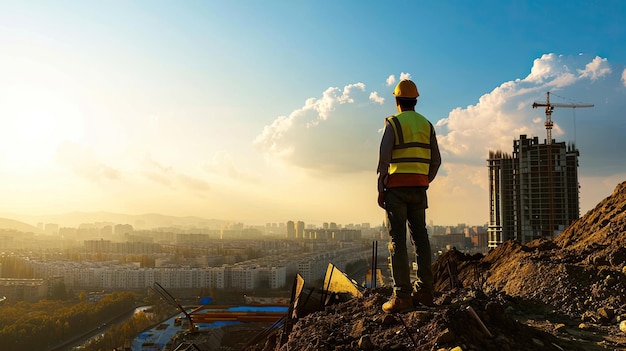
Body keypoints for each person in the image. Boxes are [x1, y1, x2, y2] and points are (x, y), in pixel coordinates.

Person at [377, 79, 441, 313]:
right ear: (415, 100)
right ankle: (425, 291)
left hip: (396, 190)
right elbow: (436, 161)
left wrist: (381, 187)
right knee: (421, 239)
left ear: (397, 101)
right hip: (419, 188)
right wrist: (424, 180)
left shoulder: (393, 123)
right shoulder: (427, 125)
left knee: (397, 241)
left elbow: (384, 158)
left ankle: (402, 296)